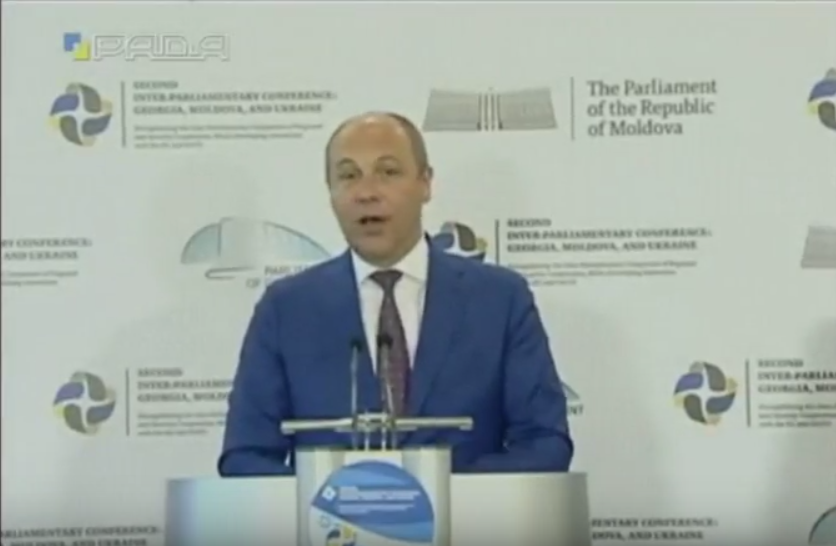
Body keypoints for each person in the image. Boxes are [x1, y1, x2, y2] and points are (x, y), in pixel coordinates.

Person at [218, 112, 574, 476]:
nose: (367, 192)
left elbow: (545, 443)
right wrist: (338, 497)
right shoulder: (287, 309)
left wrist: (435, 493)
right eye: (348, 175)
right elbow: (245, 456)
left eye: (387, 172)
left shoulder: (499, 300)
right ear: (331, 192)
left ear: (425, 183)